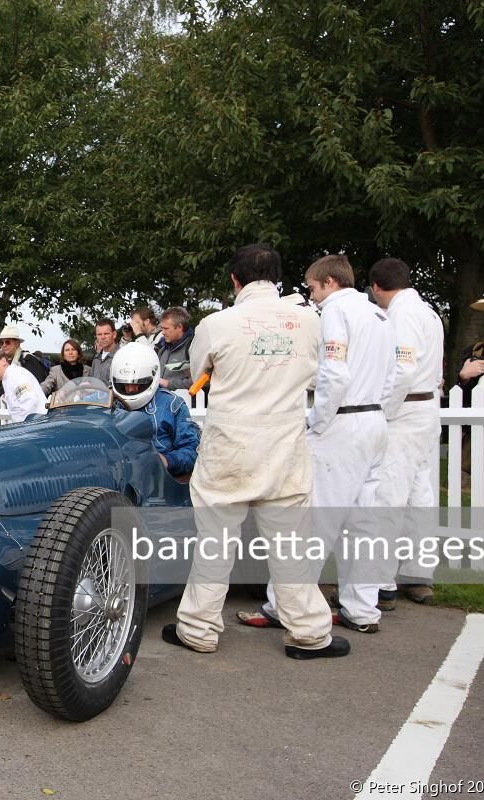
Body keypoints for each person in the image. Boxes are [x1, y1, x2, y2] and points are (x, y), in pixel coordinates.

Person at [164, 243, 347, 659]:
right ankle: (309, 634)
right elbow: (320, 376)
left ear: (234, 280)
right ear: (278, 277)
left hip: (230, 445)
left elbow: (198, 372)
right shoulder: (308, 322)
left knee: (215, 543)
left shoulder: (217, 323)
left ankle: (197, 629)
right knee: (291, 547)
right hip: (283, 446)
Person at [242, 255, 397, 634]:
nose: (312, 296)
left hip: (342, 423)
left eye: (312, 288)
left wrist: (316, 421)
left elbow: (333, 374)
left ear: (328, 282)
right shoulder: (379, 315)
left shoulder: (335, 314)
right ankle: (362, 609)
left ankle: (284, 606)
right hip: (374, 419)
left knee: (312, 522)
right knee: (364, 524)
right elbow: (394, 377)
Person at [370, 258, 446, 607]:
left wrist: (384, 410)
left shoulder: (401, 315)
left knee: (390, 496)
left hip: (406, 408)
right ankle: (418, 575)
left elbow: (402, 368)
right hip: (428, 405)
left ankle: (380, 582)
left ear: (376, 287)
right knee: (420, 494)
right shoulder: (429, 312)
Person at [109, 342, 200, 476]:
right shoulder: (108, 403)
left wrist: (167, 461)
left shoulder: (172, 404)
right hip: (116, 477)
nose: (130, 389)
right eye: (124, 384)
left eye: (138, 383)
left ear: (153, 377)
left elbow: (192, 450)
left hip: (159, 481)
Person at [0, 348, 47, 422]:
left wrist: (22, 427)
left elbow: (30, 401)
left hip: (35, 425)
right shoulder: (8, 377)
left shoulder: (15, 374)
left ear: (3, 361)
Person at [155, 307, 195, 391]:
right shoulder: (162, 348)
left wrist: (168, 384)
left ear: (180, 327)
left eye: (166, 328)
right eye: (162, 328)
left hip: (183, 402)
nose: (162, 332)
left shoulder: (193, 348)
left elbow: (199, 381)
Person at [89, 318, 117, 384]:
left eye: (106, 334)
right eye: (99, 334)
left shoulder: (121, 356)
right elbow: (91, 382)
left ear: (114, 334)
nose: (103, 337)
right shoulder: (96, 359)